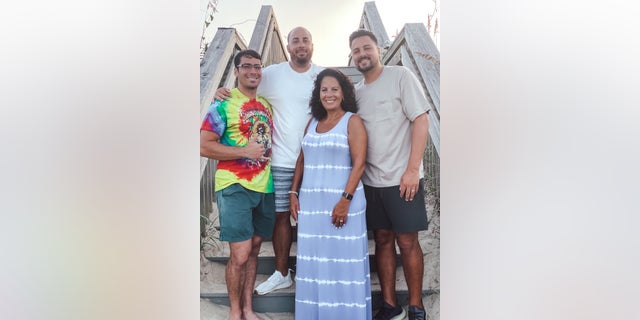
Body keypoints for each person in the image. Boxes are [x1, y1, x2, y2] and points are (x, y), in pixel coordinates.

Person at [215, 27, 324, 295]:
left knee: (316, 217)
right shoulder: (272, 74)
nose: (300, 45)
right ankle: (282, 273)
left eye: (305, 40)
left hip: (318, 160)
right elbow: (245, 86)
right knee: (280, 218)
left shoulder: (323, 75)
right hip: (282, 159)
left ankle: (315, 271)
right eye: (295, 40)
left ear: (312, 45)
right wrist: (223, 91)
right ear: (287, 46)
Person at [349, 29, 431, 320]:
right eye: (356, 50)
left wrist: (412, 169)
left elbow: (421, 120)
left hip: (403, 179)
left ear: (379, 49)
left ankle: (416, 306)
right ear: (352, 56)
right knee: (383, 240)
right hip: (371, 182)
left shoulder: (400, 76)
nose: (362, 54)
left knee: (407, 242)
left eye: (366, 48)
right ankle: (390, 305)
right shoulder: (356, 93)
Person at [289, 68, 371, 319]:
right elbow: (302, 158)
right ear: (318, 94)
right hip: (312, 207)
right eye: (324, 89)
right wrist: (293, 191)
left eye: (334, 89)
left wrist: (345, 201)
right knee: (315, 264)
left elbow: (359, 163)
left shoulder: (352, 121)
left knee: (343, 266)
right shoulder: (312, 122)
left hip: (343, 204)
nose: (329, 94)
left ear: (344, 93)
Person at [200, 49, 274, 320]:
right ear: (236, 71)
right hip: (234, 185)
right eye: (246, 66)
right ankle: (234, 312)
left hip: (264, 186)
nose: (253, 71)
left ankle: (247, 308)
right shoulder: (222, 104)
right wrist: (244, 152)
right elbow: (203, 145)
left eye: (257, 66)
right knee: (240, 254)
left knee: (254, 249)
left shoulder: (266, 104)